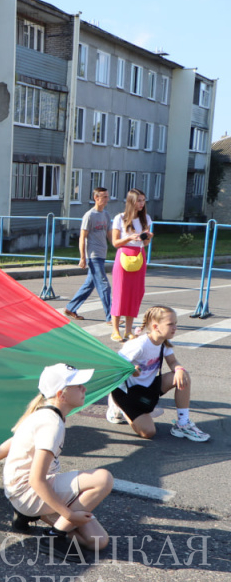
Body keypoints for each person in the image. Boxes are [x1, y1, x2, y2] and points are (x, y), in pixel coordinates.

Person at [0, 364, 114, 559]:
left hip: (24, 495)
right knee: (103, 479)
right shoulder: (51, 423)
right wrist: (68, 515)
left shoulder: (46, 413)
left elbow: (15, 442)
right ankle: (54, 537)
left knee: (98, 541)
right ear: (61, 395)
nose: (84, 388)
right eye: (78, 386)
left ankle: (29, 514)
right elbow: (36, 480)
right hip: (29, 492)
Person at [106, 305, 209, 442]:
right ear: (155, 327)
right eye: (170, 324)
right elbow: (115, 365)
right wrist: (130, 369)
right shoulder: (139, 345)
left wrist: (179, 369)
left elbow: (172, 361)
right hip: (127, 392)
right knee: (149, 433)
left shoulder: (164, 341)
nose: (175, 327)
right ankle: (119, 407)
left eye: (175, 323)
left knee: (183, 376)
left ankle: (183, 424)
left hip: (148, 388)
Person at [64, 187, 112, 324]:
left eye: (107, 196)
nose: (107, 199)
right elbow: (82, 237)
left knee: (89, 285)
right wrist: (83, 257)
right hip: (93, 255)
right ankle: (111, 317)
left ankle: (71, 308)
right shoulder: (89, 215)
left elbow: (109, 234)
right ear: (96, 198)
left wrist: (119, 246)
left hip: (102, 254)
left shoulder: (106, 215)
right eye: (104, 197)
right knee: (104, 285)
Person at [110, 188, 152, 342]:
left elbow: (145, 243)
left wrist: (148, 237)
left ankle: (128, 331)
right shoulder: (120, 218)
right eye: (139, 200)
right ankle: (115, 330)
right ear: (131, 201)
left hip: (139, 255)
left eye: (143, 200)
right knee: (120, 292)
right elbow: (115, 242)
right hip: (124, 255)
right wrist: (129, 238)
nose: (142, 203)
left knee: (135, 293)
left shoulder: (146, 218)